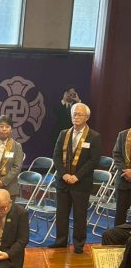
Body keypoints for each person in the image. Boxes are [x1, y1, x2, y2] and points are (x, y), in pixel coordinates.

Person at [48, 102, 101, 254]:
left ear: (87, 117)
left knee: (79, 215)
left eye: (79, 114)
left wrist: (77, 176)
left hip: (81, 183)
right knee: (61, 214)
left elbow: (93, 161)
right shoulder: (63, 133)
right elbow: (56, 156)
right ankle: (60, 241)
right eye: (74, 114)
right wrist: (64, 174)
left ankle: (78, 244)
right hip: (63, 181)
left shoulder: (94, 136)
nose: (76, 117)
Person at [0, 115, 24, 200]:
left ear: (11, 130)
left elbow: (17, 167)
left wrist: (3, 181)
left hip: (9, 187)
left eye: (7, 126)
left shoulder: (17, 146)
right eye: (1, 126)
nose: (4, 129)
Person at [112, 127, 131, 225]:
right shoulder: (123, 134)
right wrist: (126, 171)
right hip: (123, 179)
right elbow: (116, 154)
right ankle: (118, 235)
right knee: (120, 214)